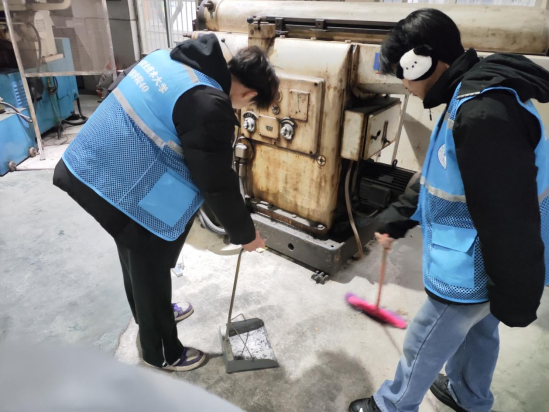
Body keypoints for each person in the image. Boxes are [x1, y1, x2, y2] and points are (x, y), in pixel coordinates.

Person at [349, 9, 549, 412]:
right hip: (484, 263)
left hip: (476, 266)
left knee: (426, 337)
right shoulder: (470, 92)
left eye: (403, 73)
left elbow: (510, 217)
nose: (404, 84)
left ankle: (392, 405)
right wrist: (399, 216)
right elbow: (442, 174)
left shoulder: (482, 114)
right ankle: (469, 397)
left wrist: (516, 291)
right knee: (479, 333)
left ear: (423, 61)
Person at [53, 34, 279, 372]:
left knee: (135, 255)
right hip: (116, 184)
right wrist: (246, 236)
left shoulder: (168, 60)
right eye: (246, 105)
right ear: (249, 94)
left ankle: (151, 313)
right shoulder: (210, 104)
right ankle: (161, 351)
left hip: (96, 164)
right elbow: (216, 183)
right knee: (149, 261)